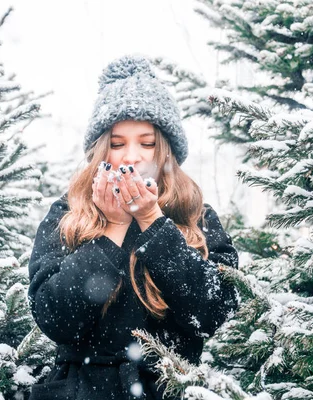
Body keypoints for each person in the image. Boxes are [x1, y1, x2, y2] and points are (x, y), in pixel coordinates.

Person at [28, 55, 239, 400]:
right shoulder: (69, 213)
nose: (132, 156)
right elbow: (55, 319)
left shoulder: (195, 216)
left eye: (146, 142)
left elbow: (213, 312)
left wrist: (153, 222)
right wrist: (112, 227)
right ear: (101, 151)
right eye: (117, 143)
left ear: (165, 151)